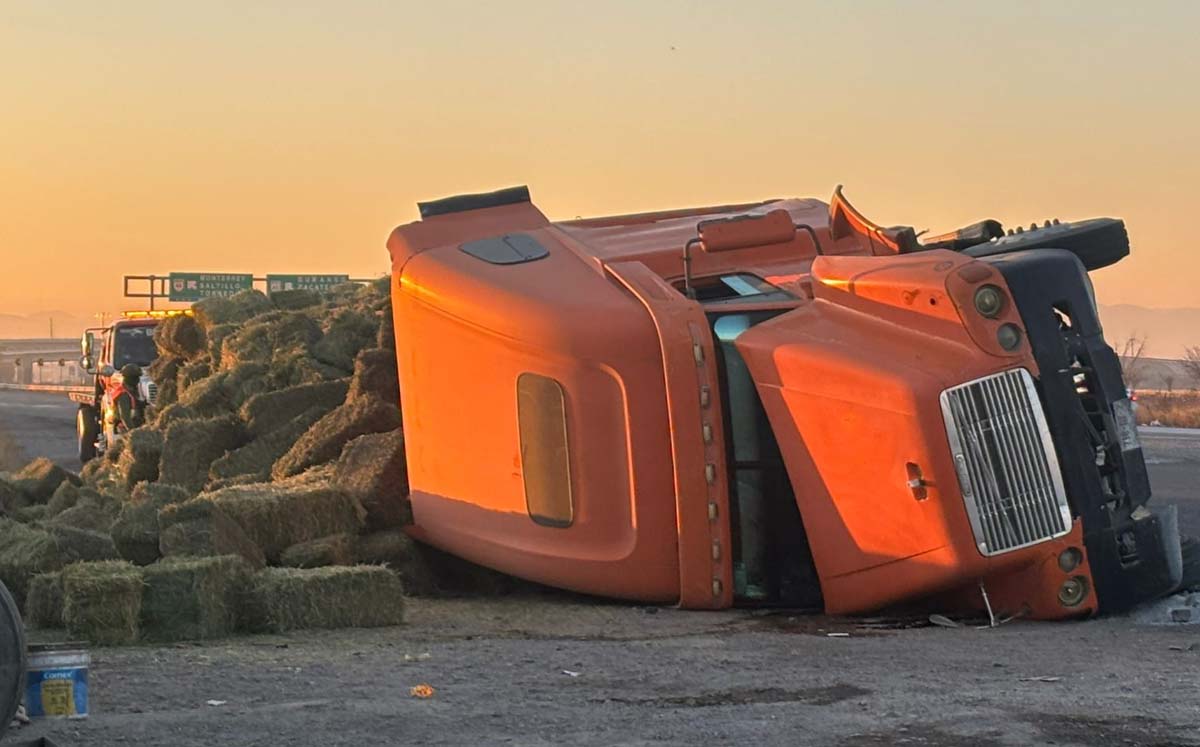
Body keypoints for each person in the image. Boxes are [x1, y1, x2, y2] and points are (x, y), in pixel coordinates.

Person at [108, 363, 145, 433]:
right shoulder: (123, 395)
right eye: (135, 377)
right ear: (129, 378)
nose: (138, 380)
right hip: (125, 428)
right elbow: (125, 417)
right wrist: (132, 432)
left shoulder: (131, 391)